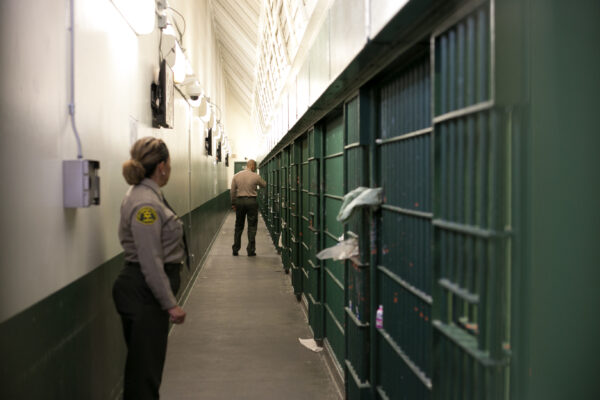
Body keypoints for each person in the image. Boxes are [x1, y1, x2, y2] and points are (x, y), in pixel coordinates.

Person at [112, 137, 187, 399]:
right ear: (162, 166)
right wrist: (170, 304)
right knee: (144, 377)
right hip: (144, 293)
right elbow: (150, 261)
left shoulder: (147, 195)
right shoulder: (146, 203)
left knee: (143, 371)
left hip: (143, 291)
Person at [230, 159, 266, 256]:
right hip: (251, 202)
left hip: (240, 202)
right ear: (253, 166)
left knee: (238, 226)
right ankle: (251, 250)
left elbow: (232, 191)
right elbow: (264, 185)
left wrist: (233, 203)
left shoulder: (236, 176)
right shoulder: (256, 176)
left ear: (247, 165)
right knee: (252, 226)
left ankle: (235, 249)